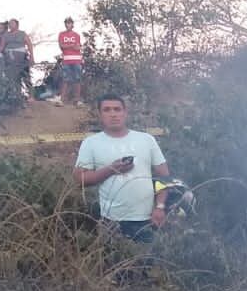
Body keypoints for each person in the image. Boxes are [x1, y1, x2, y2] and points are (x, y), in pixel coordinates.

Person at [74, 95, 173, 242]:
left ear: (125, 113)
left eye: (117, 109)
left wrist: (160, 206)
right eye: (107, 110)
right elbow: (80, 179)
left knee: (148, 263)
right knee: (115, 262)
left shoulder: (146, 139)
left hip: (147, 219)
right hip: (112, 222)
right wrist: (111, 169)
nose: (113, 114)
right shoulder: (91, 143)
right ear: (100, 115)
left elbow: (163, 175)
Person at [55, 16, 84, 107]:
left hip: (76, 59)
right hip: (66, 60)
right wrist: (72, 45)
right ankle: (62, 100)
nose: (68, 24)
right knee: (65, 79)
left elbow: (78, 47)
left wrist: (69, 45)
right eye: (67, 23)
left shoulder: (77, 35)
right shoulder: (61, 34)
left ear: (72, 24)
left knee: (77, 79)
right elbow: (62, 46)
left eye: (70, 23)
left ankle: (77, 100)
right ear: (65, 24)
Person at [1, 18, 32, 94]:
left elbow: (29, 44)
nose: (10, 25)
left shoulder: (22, 33)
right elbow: (2, 45)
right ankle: (17, 95)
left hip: (21, 57)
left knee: (25, 75)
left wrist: (32, 56)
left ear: (17, 25)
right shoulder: (6, 35)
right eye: (9, 24)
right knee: (12, 77)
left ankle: (31, 95)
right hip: (9, 57)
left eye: (12, 23)